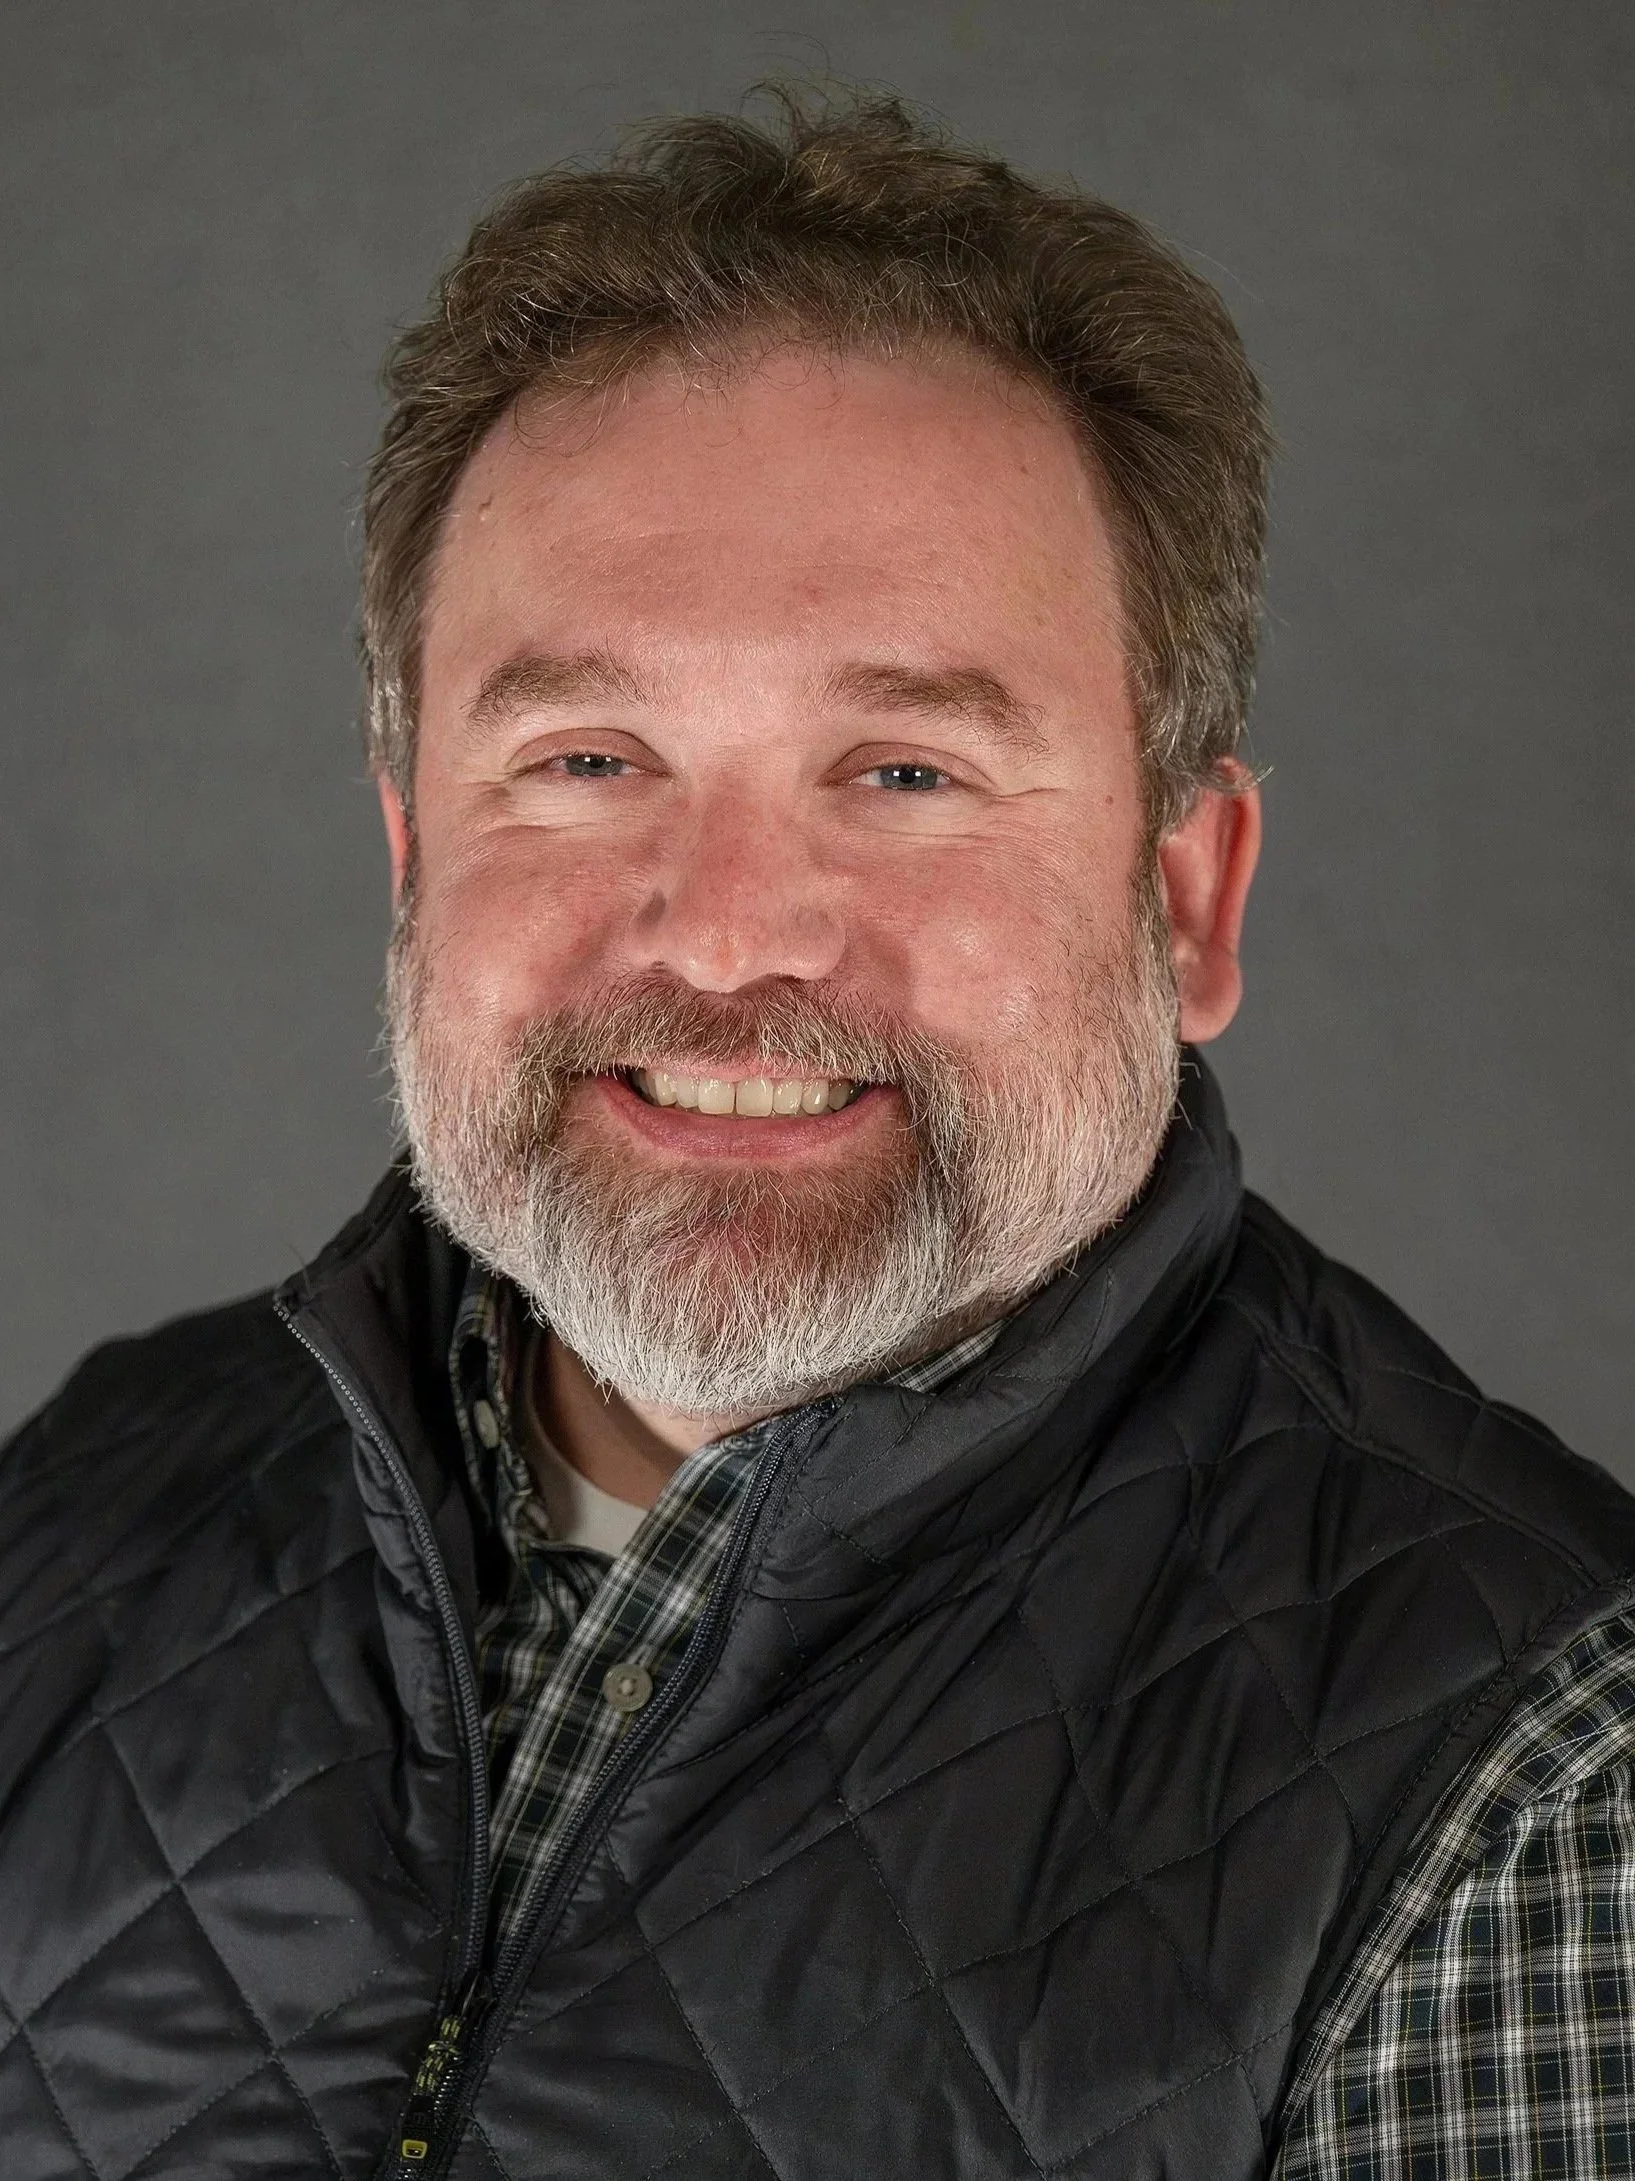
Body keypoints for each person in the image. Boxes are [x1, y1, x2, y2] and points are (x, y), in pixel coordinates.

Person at [3, 89, 1632, 2181]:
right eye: (588, 758)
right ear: (413, 863)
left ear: (1189, 895)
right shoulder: (82, 1509)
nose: (731, 930)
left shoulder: (1541, 1788)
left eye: (904, 771)